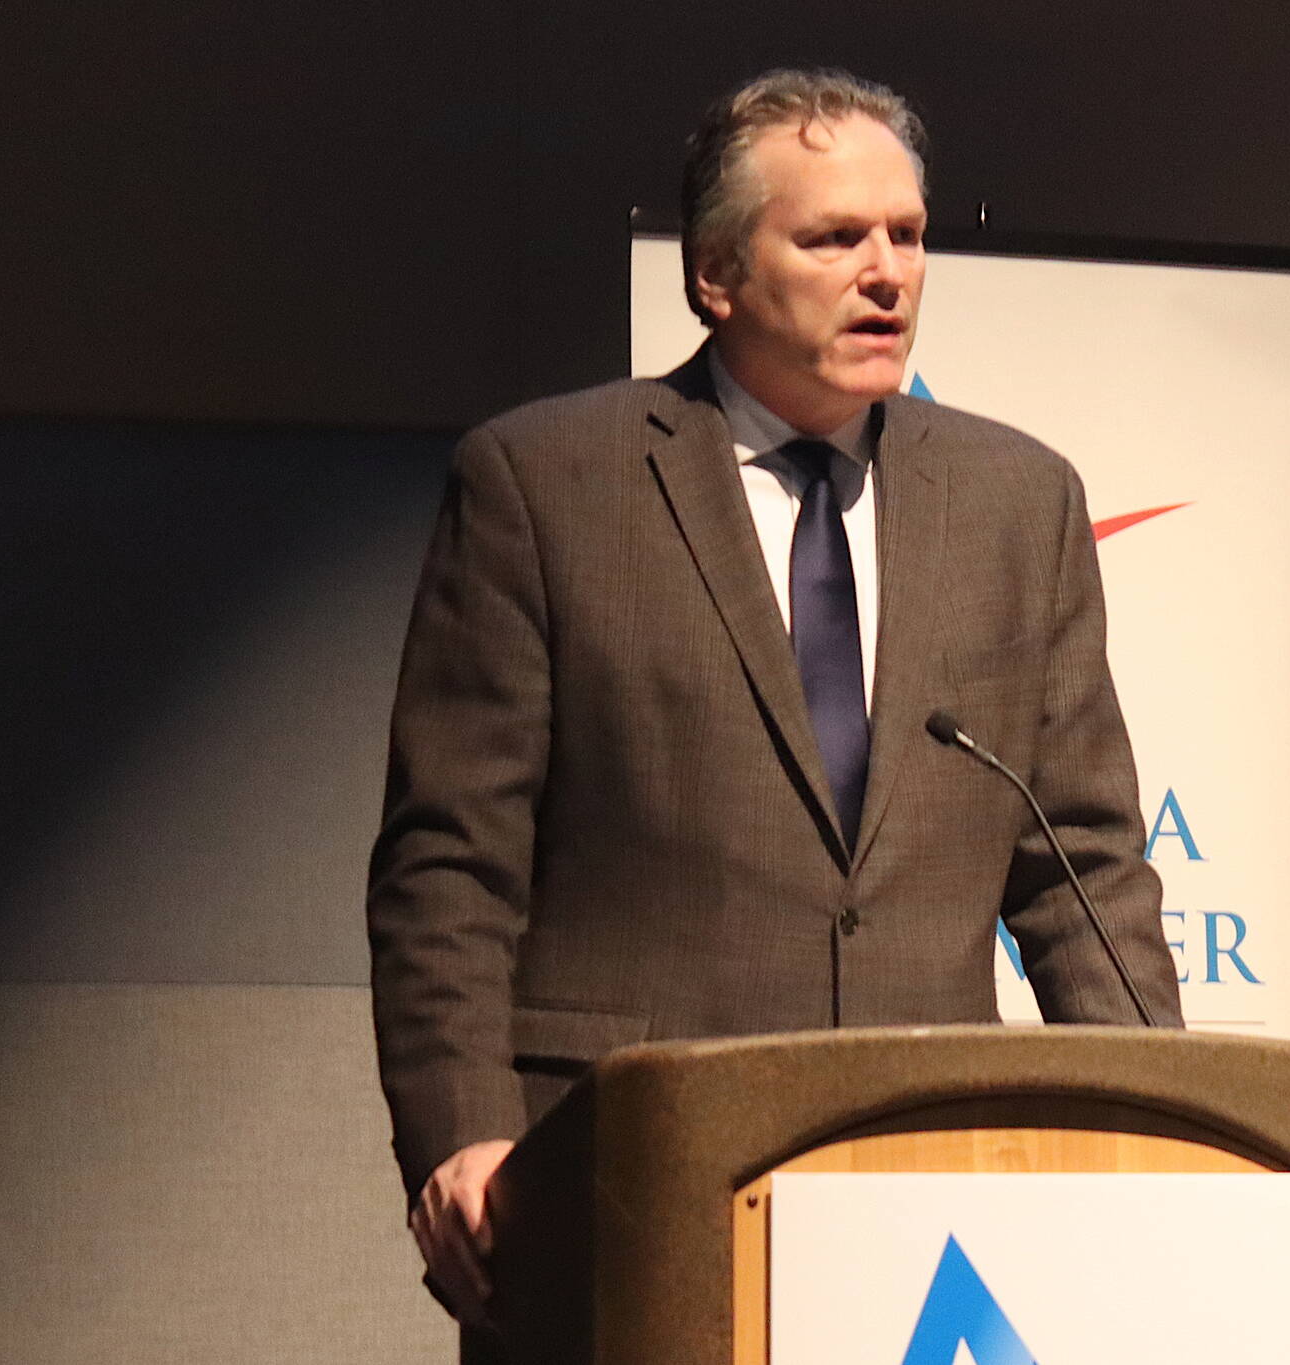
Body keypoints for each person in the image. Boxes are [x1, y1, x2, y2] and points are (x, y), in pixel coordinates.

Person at [366, 67, 1184, 1340]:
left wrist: (1169, 1129)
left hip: (927, 1197)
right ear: (715, 275)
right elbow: (448, 868)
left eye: (906, 236)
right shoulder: (545, 483)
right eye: (833, 237)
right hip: (625, 1183)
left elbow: (1082, 865)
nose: (886, 273)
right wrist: (461, 1136)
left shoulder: (1018, 500)